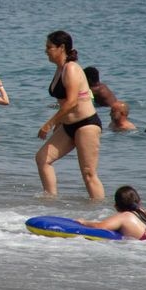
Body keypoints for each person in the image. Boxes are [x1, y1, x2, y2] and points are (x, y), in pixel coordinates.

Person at [35, 30, 105, 200]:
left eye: (49, 47)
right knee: (42, 158)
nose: (46, 50)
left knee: (88, 173)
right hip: (68, 126)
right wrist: (60, 124)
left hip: (86, 124)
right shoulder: (59, 69)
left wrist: (49, 123)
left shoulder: (71, 68)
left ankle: (99, 211)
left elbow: (72, 102)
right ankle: (50, 199)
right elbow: (62, 100)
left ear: (62, 48)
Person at [84, 67, 134, 132]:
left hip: (110, 109)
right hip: (113, 108)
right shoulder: (102, 86)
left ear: (89, 80)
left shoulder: (95, 90)